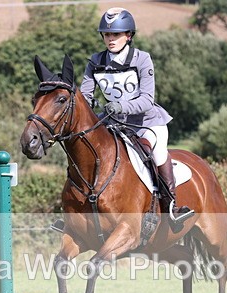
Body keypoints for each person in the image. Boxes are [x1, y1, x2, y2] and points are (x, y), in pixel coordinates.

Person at [80, 7, 193, 228]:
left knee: (157, 155)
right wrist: (88, 103)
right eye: (107, 34)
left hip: (146, 123)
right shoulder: (95, 61)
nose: (110, 39)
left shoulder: (142, 59)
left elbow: (147, 100)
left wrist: (120, 106)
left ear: (129, 35)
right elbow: (85, 93)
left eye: (116, 34)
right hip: (113, 122)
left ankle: (171, 207)